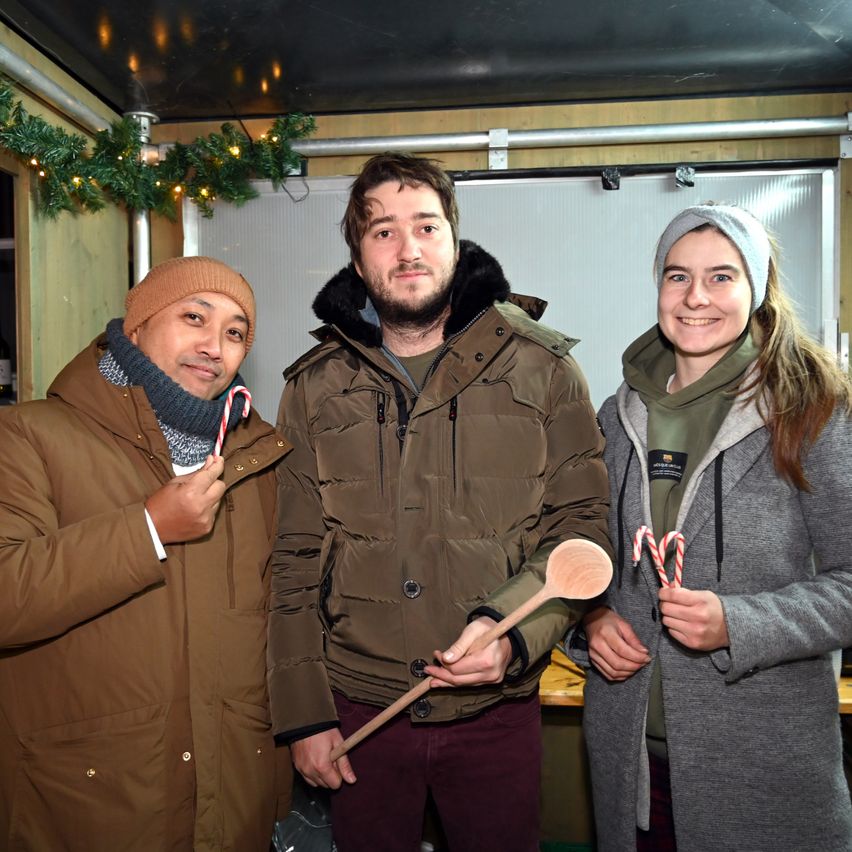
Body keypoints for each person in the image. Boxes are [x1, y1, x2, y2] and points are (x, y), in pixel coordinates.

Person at [268, 152, 610, 851]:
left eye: (426, 226)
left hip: (495, 715)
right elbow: (294, 558)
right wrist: (305, 716)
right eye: (383, 232)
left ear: (455, 242)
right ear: (359, 261)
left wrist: (512, 634)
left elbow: (581, 530)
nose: (408, 248)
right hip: (360, 713)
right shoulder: (313, 386)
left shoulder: (544, 367)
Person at [571, 204, 852, 850]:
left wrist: (740, 623)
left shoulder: (814, 413)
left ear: (756, 289)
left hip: (763, 774)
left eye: (721, 277)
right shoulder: (613, 419)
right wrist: (589, 620)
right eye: (677, 276)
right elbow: (577, 555)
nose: (696, 297)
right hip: (631, 769)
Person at [0, 256, 293, 851]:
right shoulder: (30, 436)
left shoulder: (258, 461)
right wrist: (148, 528)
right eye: (194, 317)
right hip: (90, 804)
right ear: (135, 326)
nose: (215, 345)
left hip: (232, 799)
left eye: (236, 333)